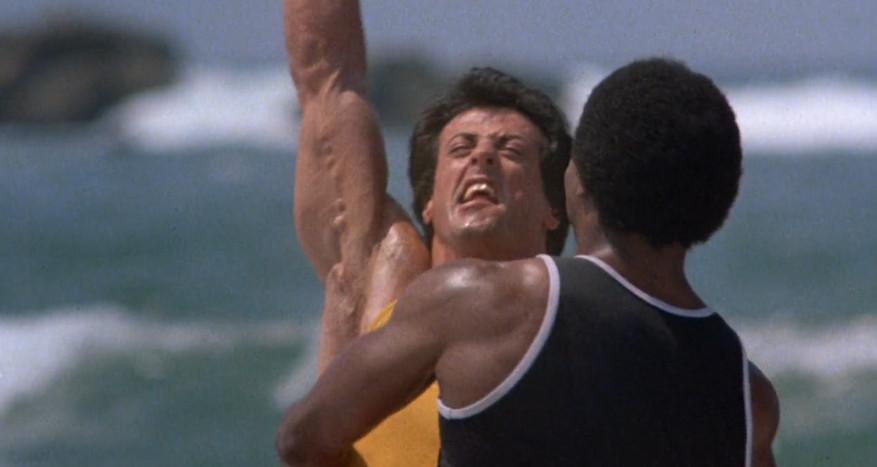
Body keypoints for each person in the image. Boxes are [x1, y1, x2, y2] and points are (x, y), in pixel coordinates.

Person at [276, 58, 780, 467]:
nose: (482, 159)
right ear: (717, 206)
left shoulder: (488, 302)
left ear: (575, 184)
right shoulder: (746, 395)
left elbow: (301, 440)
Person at [283, 0, 570, 465]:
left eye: (510, 149)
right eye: (461, 148)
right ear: (430, 202)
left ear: (554, 208)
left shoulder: (577, 326)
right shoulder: (383, 280)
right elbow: (326, 80)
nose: (482, 157)